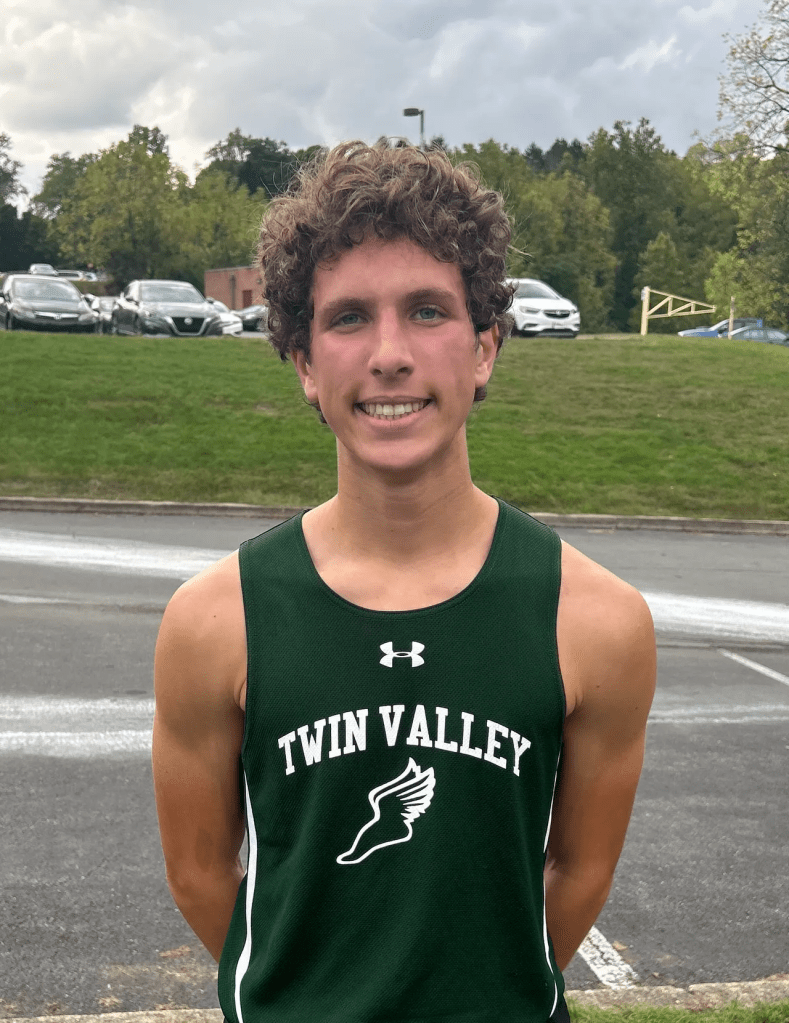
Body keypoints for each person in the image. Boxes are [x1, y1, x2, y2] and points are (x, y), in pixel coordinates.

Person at [152, 140, 656, 1023]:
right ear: (306, 365)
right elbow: (199, 872)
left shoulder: (596, 620)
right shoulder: (214, 620)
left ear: (484, 348)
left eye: (427, 311)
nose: (389, 354)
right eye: (348, 318)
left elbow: (579, 871)